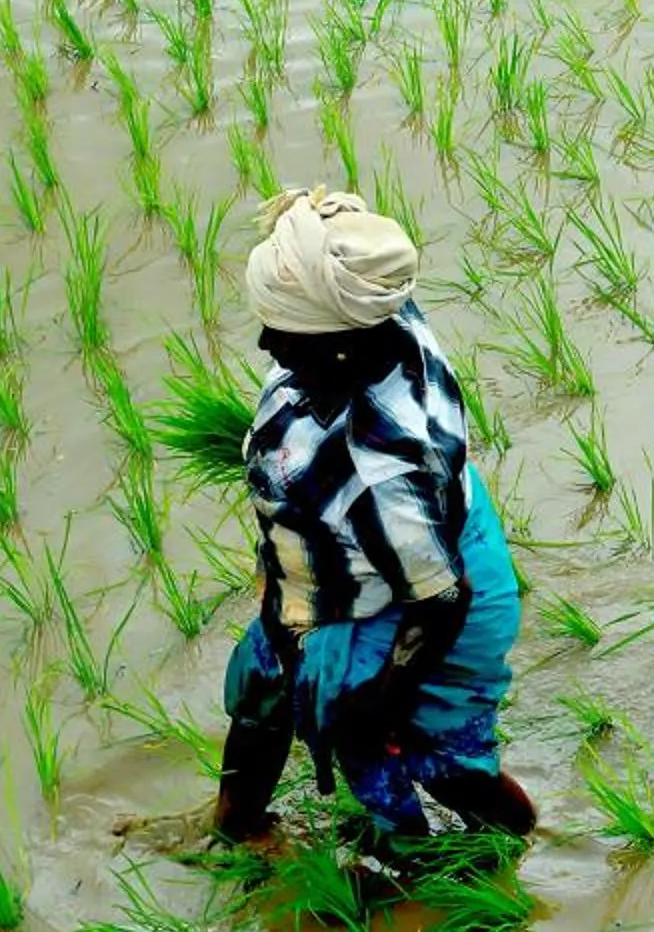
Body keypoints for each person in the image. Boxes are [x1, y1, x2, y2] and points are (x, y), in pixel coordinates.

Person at [210, 184, 536, 858]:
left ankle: (500, 845)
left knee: (435, 761)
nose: (266, 341)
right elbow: (339, 249)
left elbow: (443, 599)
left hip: (420, 593)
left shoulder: (382, 464)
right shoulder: (378, 312)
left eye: (285, 331)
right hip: (354, 574)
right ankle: (235, 828)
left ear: (340, 348)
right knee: (263, 692)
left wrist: (378, 699)